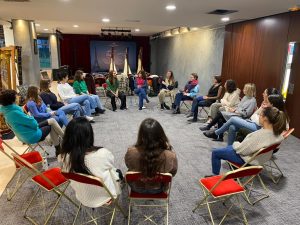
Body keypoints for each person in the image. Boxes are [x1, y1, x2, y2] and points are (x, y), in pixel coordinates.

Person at [60, 117, 121, 207]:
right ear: (89, 135)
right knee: (115, 171)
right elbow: (111, 162)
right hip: (105, 197)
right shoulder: (102, 153)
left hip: (82, 196)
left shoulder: (64, 156)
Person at [210, 106, 287, 175]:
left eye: (260, 115)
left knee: (215, 153)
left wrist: (236, 144)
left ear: (265, 119)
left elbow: (241, 151)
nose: (259, 117)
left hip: (246, 160)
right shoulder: (277, 134)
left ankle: (214, 176)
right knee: (228, 147)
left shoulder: (260, 136)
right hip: (259, 159)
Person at [204, 88, 283, 144]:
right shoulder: (262, 103)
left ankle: (216, 133)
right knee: (232, 127)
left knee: (233, 119)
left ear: (269, 96)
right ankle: (229, 148)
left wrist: (256, 115)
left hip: (257, 127)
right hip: (251, 122)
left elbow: (257, 120)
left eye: (264, 93)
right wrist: (256, 115)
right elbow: (254, 115)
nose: (262, 94)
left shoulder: (270, 108)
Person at [0, 89, 64, 155]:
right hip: (32, 135)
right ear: (12, 100)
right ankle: (62, 143)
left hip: (23, 135)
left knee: (52, 121)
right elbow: (34, 123)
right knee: (52, 123)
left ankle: (59, 147)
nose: (18, 98)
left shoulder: (7, 112)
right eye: (16, 96)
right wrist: (30, 117)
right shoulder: (15, 113)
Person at [125, 118, 178, 194]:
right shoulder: (170, 155)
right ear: (161, 135)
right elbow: (173, 173)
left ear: (141, 135)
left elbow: (128, 165)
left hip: (136, 187)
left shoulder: (131, 152)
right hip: (159, 189)